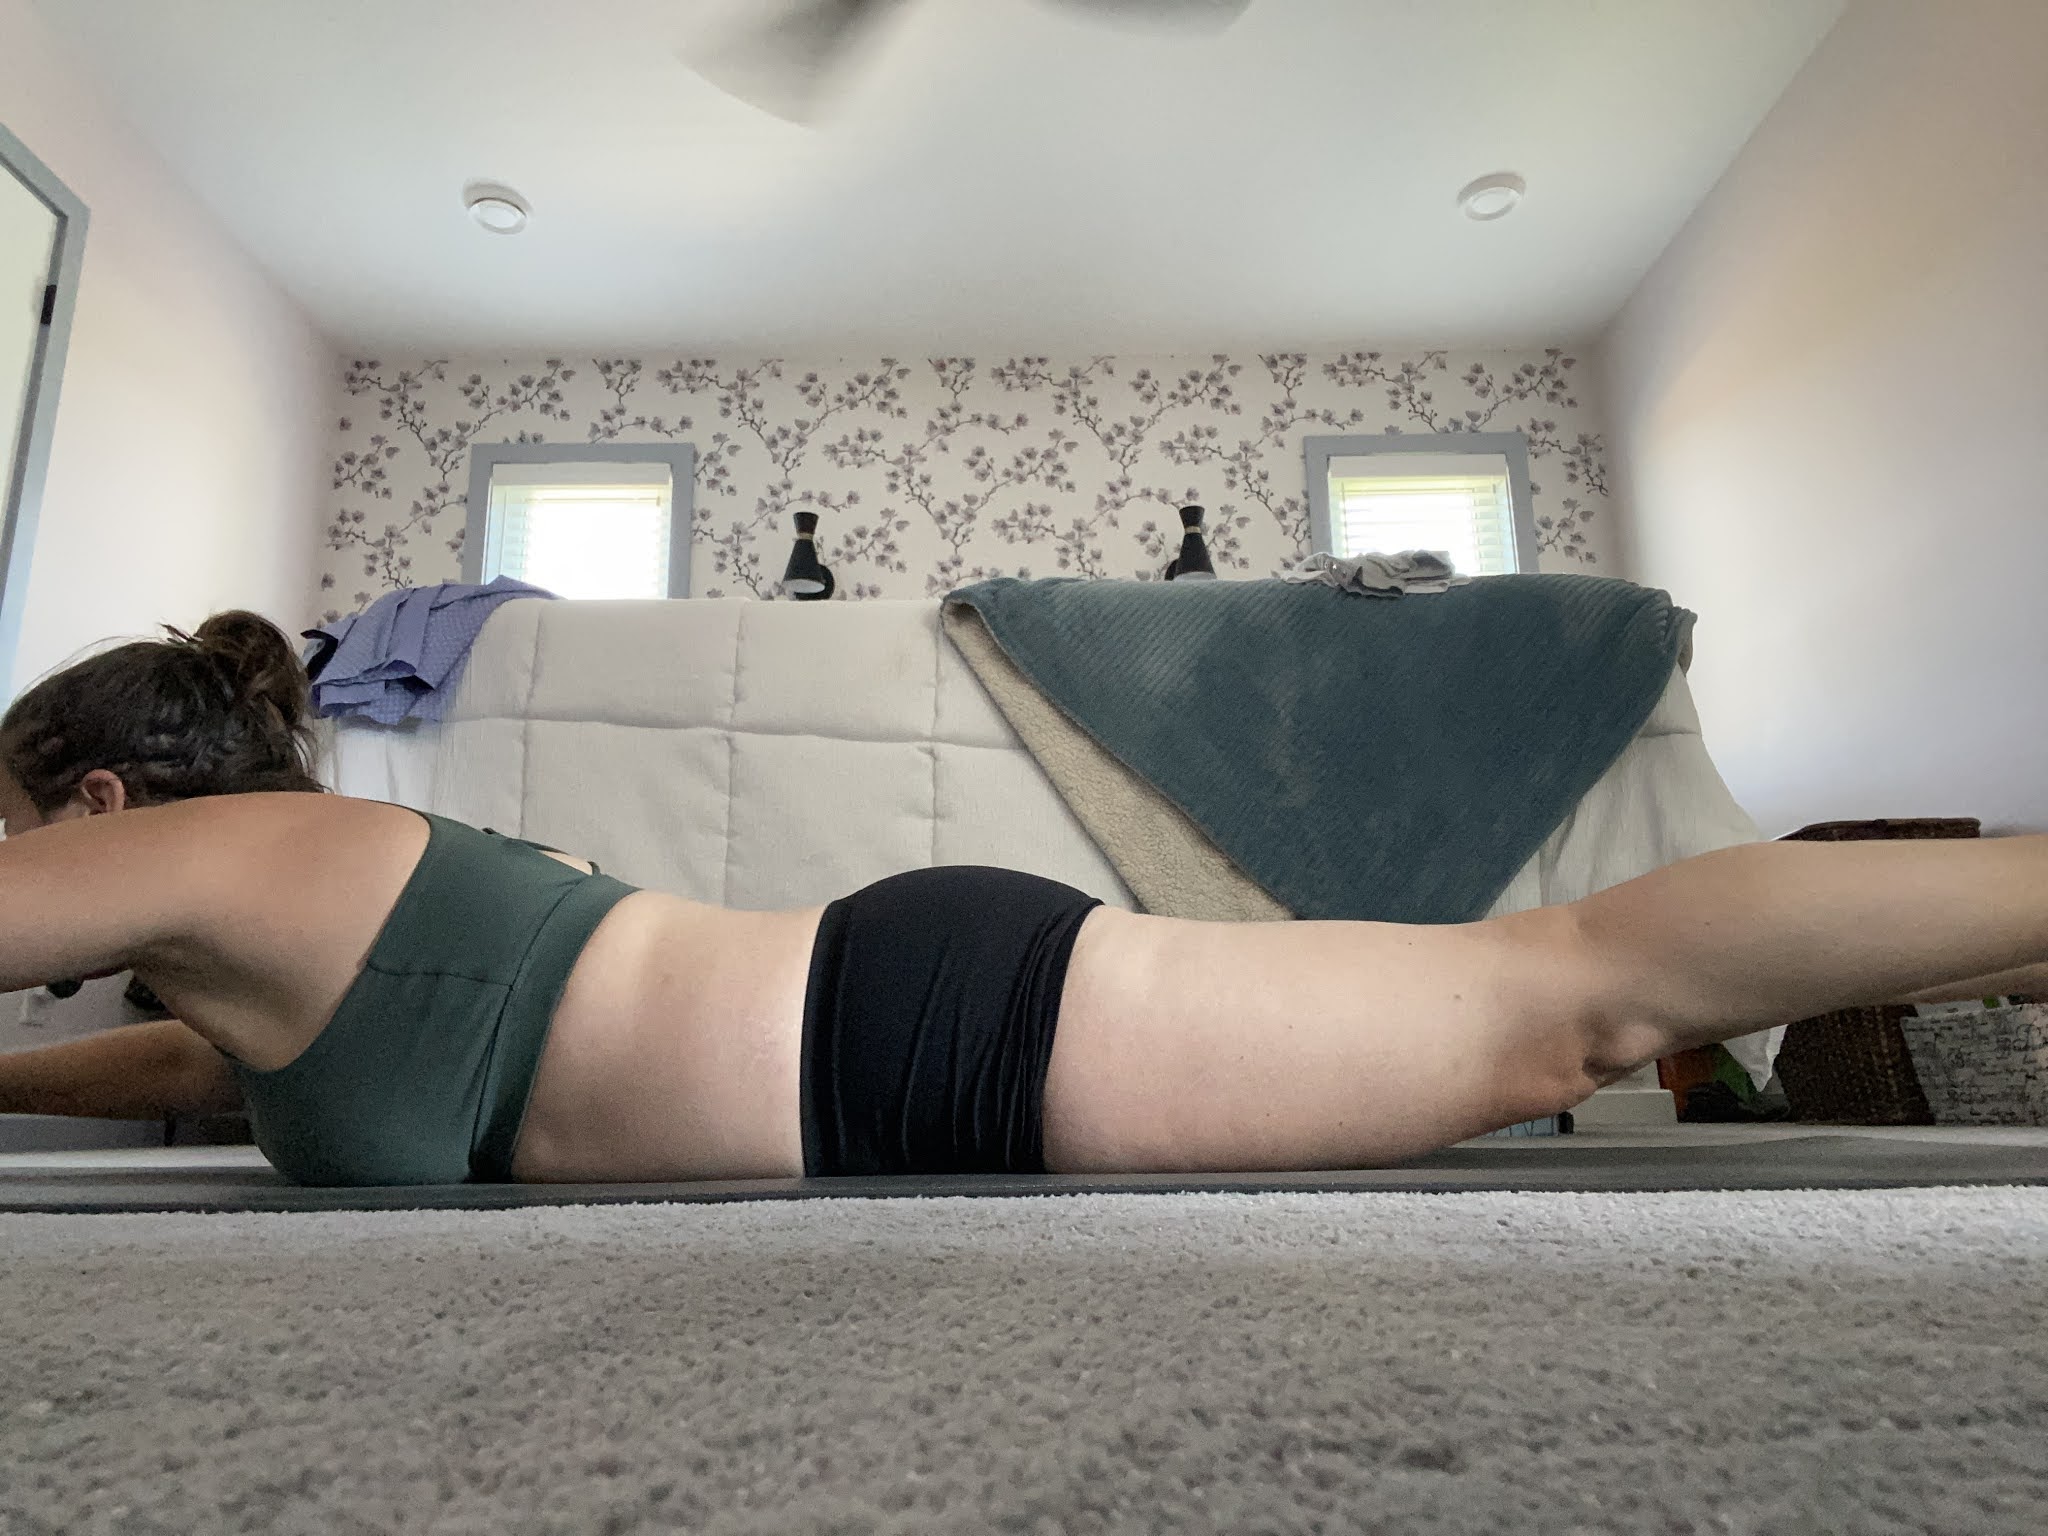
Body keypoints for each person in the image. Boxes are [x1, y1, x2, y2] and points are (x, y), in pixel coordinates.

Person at [0, 611, 2041, 1186]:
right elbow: (211, 1068)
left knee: (1562, 999)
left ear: (96, 807)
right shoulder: (276, 957)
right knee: (1552, 997)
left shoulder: (239, 853)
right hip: (890, 1039)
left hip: (931, 1037)